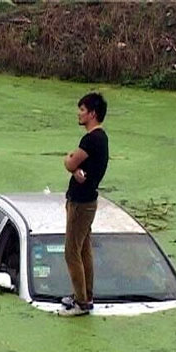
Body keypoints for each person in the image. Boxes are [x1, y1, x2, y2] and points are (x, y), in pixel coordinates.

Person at [58, 93, 109, 317]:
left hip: (81, 203)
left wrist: (68, 159)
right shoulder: (103, 138)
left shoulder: (91, 139)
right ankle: (85, 295)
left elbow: (70, 162)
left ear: (92, 113)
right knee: (84, 249)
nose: (79, 113)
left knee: (71, 252)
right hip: (88, 200)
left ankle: (81, 302)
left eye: (82, 109)